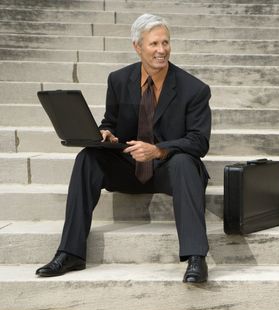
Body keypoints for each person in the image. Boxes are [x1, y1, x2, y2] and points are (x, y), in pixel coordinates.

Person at [35, 13, 211, 283]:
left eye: (165, 43)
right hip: (129, 166)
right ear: (137, 46)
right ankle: (70, 252)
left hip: (169, 169)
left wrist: (158, 150)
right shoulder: (118, 80)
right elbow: (111, 121)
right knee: (87, 157)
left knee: (186, 162)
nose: (161, 50)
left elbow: (199, 141)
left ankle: (196, 257)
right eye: (153, 44)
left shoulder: (194, 89)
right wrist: (107, 133)